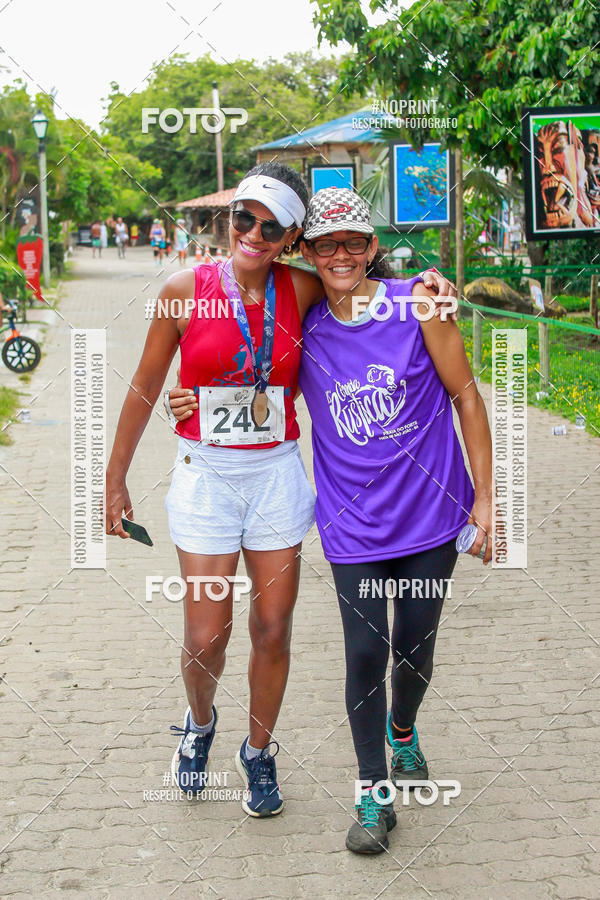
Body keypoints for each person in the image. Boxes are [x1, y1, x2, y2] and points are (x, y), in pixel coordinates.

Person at [108, 165, 455, 822]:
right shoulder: (183, 290)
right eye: (245, 218)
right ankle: (201, 721)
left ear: (292, 236)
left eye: (272, 226)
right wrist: (114, 478)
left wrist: (431, 285)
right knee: (207, 635)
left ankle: (259, 751)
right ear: (230, 217)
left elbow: (368, 285)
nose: (254, 234)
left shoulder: (302, 288)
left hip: (275, 477)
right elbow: (143, 387)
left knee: (272, 629)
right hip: (206, 478)